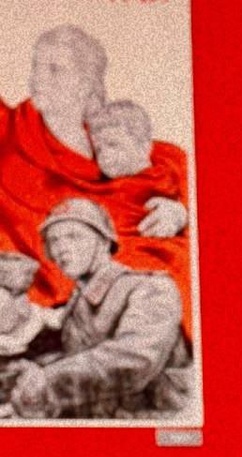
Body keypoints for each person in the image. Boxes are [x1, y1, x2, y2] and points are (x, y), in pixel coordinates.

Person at [0, 25, 192, 336]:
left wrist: (180, 211)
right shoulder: (10, 130)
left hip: (130, 264)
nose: (37, 78)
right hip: (46, 275)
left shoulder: (112, 132)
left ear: (85, 84)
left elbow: (177, 170)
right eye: (36, 66)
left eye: (55, 70)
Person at [9, 198, 190, 419]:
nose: (61, 248)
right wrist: (29, 368)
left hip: (151, 416)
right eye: (54, 240)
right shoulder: (79, 298)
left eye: (73, 236)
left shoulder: (151, 288)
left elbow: (135, 358)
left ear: (104, 242)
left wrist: (47, 379)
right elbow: (76, 353)